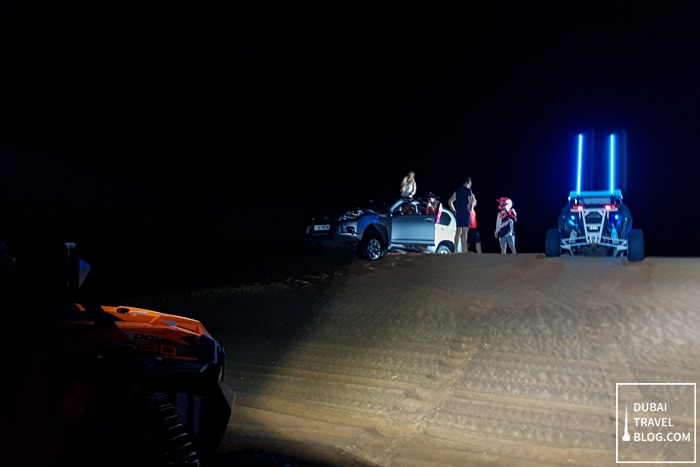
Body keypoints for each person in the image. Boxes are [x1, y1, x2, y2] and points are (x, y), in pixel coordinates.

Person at [448, 177, 473, 253]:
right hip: (465, 212)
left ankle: (455, 250)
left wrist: (454, 211)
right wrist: (473, 201)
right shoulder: (468, 190)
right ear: (469, 183)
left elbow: (450, 201)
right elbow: (470, 202)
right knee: (465, 231)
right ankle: (464, 250)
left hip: (458, 212)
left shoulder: (457, 191)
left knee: (458, 231)